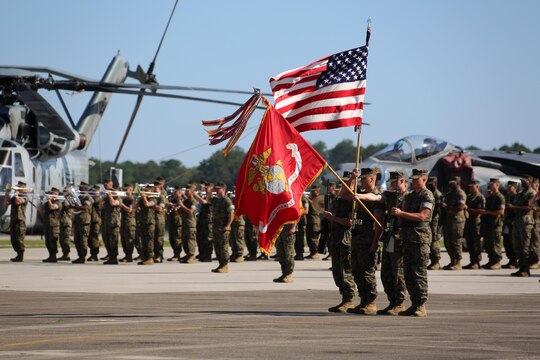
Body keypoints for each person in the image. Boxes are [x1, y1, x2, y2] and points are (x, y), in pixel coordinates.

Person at [356, 171, 407, 316]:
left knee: (398, 272)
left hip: (402, 239)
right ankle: (392, 302)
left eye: (394, 182)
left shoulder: (408, 198)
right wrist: (360, 196)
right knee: (387, 272)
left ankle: (400, 302)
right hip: (390, 238)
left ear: (403, 182)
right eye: (390, 182)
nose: (391, 185)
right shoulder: (389, 196)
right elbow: (376, 197)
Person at [392, 169, 434, 317]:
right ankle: (414, 303)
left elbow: (422, 216)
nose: (414, 181)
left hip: (420, 239)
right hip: (407, 238)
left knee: (419, 273)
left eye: (417, 179)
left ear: (424, 180)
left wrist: (401, 214)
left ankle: (421, 305)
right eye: (413, 179)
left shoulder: (427, 195)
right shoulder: (409, 196)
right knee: (408, 273)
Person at [348, 168, 382, 315]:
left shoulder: (378, 196)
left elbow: (378, 223)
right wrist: (352, 179)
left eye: (363, 179)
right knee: (356, 271)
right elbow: (344, 194)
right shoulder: (360, 195)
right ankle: (363, 300)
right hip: (357, 239)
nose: (360, 182)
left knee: (367, 271)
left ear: (372, 180)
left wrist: (375, 243)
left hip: (368, 239)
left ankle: (371, 302)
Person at [324, 172, 356, 313]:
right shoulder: (338, 200)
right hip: (336, 239)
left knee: (345, 271)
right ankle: (344, 298)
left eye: (347, 183)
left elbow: (349, 222)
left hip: (345, 240)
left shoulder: (353, 201)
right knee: (337, 271)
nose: (343, 186)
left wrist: (333, 218)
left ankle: (349, 299)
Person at [507, 175, 537, 277]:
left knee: (525, 247)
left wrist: (514, 207)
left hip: (526, 223)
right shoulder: (520, 194)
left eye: (524, 181)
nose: (522, 183)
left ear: (529, 182)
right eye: (521, 181)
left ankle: (526, 269)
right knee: (517, 246)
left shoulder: (532, 193)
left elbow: (529, 208)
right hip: (517, 222)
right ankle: (521, 268)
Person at [478, 178, 505, 269]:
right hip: (488, 224)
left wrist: (486, 212)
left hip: (496, 224)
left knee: (495, 244)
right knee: (489, 244)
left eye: (492, 184)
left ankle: (497, 262)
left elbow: (501, 212)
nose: (490, 185)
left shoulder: (500, 197)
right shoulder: (490, 197)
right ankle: (491, 261)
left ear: (497, 185)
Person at [441, 176, 466, 270]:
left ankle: (458, 262)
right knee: (448, 241)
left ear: (458, 183)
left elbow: (460, 207)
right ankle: (452, 261)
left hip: (457, 221)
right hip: (448, 220)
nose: (451, 184)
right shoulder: (449, 193)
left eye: (453, 183)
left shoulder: (461, 193)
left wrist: (447, 207)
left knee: (456, 241)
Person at [211, 182, 235, 273]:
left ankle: (225, 265)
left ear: (223, 190)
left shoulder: (226, 200)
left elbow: (231, 213)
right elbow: (208, 199)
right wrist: (210, 191)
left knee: (223, 247)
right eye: (216, 189)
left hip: (223, 228)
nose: (217, 190)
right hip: (216, 228)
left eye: (218, 189)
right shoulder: (217, 200)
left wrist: (228, 225)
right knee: (217, 247)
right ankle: (220, 264)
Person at [463, 180, 485, 269]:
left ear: (477, 187)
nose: (471, 189)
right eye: (470, 187)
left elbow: (481, 211)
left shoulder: (480, 197)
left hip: (476, 223)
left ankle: (477, 262)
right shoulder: (469, 197)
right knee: (469, 243)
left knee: (476, 244)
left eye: (472, 187)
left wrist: (468, 209)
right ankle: (472, 261)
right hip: (469, 222)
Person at [70, 181, 93, 264]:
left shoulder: (88, 197)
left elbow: (85, 207)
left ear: (85, 188)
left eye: (81, 187)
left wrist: (74, 206)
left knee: (83, 240)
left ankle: (83, 257)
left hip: (84, 221)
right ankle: (80, 256)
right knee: (77, 240)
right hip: (78, 220)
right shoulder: (79, 197)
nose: (79, 188)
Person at [7, 181, 28, 262]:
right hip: (14, 219)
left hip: (20, 220)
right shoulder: (16, 196)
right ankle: (18, 254)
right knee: (13, 238)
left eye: (19, 187)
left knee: (19, 238)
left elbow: (18, 202)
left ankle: (20, 255)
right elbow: (8, 203)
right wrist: (7, 194)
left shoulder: (25, 196)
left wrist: (16, 195)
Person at [101, 185, 121, 265]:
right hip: (107, 223)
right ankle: (110, 257)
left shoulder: (118, 199)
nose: (110, 193)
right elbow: (100, 206)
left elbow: (113, 203)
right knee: (107, 241)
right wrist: (103, 198)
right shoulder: (106, 200)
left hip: (114, 224)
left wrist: (110, 196)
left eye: (111, 191)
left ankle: (114, 258)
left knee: (113, 242)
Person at [137, 185, 157, 265]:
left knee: (149, 240)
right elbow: (135, 206)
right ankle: (145, 257)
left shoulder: (154, 200)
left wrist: (144, 197)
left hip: (150, 223)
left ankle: (150, 257)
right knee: (143, 241)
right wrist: (137, 198)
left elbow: (147, 204)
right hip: (143, 222)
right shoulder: (142, 200)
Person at [426, 177, 442, 270]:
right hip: (429, 220)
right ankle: (432, 261)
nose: (430, 185)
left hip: (435, 221)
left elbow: (438, 209)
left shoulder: (437, 194)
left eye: (432, 183)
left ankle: (436, 261)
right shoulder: (429, 193)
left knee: (434, 240)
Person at [42, 187, 62, 263]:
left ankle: (53, 256)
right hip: (47, 224)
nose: (52, 195)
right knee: (47, 242)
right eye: (51, 193)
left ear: (56, 194)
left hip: (54, 225)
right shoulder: (48, 202)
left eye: (53, 194)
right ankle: (50, 255)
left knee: (53, 241)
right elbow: (40, 209)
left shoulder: (58, 202)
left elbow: (52, 207)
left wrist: (49, 200)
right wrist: (42, 201)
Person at [502, 181, 519, 268]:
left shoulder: (517, 197)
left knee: (513, 242)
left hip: (514, 222)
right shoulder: (507, 197)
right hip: (507, 222)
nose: (508, 188)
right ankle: (511, 260)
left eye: (510, 187)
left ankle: (515, 261)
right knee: (506, 242)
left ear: (515, 188)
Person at [195, 183, 213, 262]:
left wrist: (196, 195)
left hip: (209, 221)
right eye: (205, 187)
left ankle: (208, 256)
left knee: (208, 238)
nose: (205, 188)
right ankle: (204, 254)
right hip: (204, 219)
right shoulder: (206, 195)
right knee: (203, 238)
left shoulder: (212, 196)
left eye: (207, 187)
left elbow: (205, 202)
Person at [179, 185, 197, 264]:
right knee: (184, 240)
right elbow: (180, 212)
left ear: (192, 192)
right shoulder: (185, 201)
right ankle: (187, 254)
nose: (185, 193)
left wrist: (182, 205)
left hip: (190, 224)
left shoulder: (193, 201)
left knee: (190, 240)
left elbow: (190, 211)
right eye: (185, 191)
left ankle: (191, 255)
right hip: (184, 223)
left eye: (187, 191)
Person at [318, 181, 337, 259]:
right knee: (327, 237)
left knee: (332, 238)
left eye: (330, 187)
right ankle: (330, 253)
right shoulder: (327, 197)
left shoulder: (336, 197)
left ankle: (332, 254)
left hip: (334, 219)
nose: (328, 189)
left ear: (333, 188)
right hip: (328, 219)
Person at [120, 183, 136, 262]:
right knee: (123, 239)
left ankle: (129, 256)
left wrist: (121, 204)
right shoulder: (124, 199)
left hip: (130, 222)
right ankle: (126, 255)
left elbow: (129, 210)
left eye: (126, 190)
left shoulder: (132, 199)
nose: (125, 192)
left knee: (129, 239)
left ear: (131, 190)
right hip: (123, 221)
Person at [166, 186, 183, 261]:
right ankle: (175, 253)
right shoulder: (171, 199)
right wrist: (169, 204)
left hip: (178, 221)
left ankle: (177, 254)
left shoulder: (182, 200)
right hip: (171, 220)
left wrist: (176, 205)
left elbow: (177, 211)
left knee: (177, 238)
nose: (175, 194)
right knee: (171, 238)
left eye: (177, 192)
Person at [153, 177, 168, 263]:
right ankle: (153, 255)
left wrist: (151, 206)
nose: (157, 186)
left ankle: (159, 255)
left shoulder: (163, 193)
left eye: (159, 184)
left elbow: (160, 207)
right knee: (152, 238)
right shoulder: (152, 193)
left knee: (159, 238)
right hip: (151, 218)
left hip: (159, 218)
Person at [58, 186, 73, 261]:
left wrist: (61, 200)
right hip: (62, 221)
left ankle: (67, 254)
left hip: (67, 222)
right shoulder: (64, 199)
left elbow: (67, 206)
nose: (64, 193)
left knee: (66, 239)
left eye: (65, 191)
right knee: (61, 239)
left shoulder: (70, 199)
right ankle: (64, 253)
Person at [88, 185, 102, 262]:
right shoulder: (92, 198)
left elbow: (93, 201)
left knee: (94, 238)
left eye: (94, 191)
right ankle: (92, 254)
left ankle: (95, 255)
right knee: (90, 238)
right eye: (92, 191)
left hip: (96, 220)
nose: (93, 193)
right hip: (91, 220)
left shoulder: (98, 199)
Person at [294, 194, 308, 260]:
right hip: (296, 221)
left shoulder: (303, 199)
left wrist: (297, 213)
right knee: (296, 239)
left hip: (301, 222)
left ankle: (300, 254)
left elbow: (306, 211)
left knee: (300, 238)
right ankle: (297, 253)